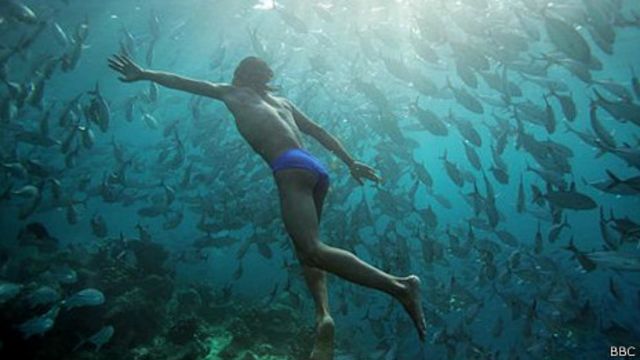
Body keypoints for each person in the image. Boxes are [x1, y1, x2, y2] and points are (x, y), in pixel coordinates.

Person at [108, 54, 426, 359]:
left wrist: (144, 74)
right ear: (265, 77)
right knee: (307, 250)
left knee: (314, 249)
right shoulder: (284, 103)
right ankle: (323, 317)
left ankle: (399, 285)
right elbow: (318, 131)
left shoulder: (230, 91)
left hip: (289, 167)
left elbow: (182, 81)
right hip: (316, 169)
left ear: (239, 75)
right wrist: (351, 162)